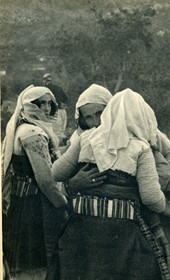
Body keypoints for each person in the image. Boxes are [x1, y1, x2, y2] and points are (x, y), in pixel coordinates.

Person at [52, 88, 170, 280]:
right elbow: (151, 197)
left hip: (88, 227)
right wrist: (73, 184)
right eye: (89, 117)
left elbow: (56, 171)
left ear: (110, 110)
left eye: (100, 113)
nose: (96, 121)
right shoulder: (139, 146)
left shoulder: (89, 138)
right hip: (117, 228)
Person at [2, 85, 68, 280]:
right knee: (34, 267)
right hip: (33, 207)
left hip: (21, 203)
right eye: (40, 103)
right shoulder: (33, 133)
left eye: (49, 103)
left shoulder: (22, 128)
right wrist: (63, 204)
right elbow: (46, 180)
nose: (46, 108)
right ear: (29, 105)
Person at [43, 73, 68, 145]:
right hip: (62, 112)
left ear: (45, 81)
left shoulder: (45, 90)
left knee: (54, 134)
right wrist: (62, 105)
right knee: (61, 132)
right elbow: (66, 99)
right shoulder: (58, 88)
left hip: (53, 114)